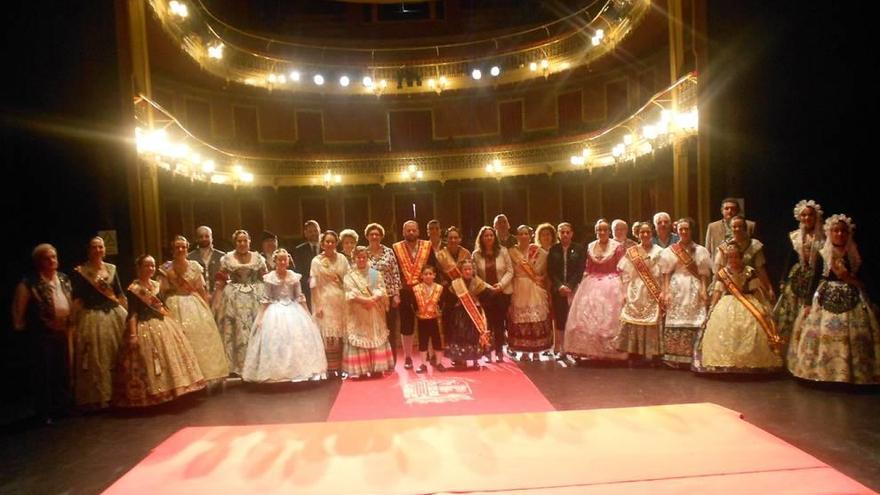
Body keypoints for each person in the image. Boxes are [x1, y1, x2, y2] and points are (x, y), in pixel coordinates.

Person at [787, 214, 880, 384]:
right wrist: (808, 303)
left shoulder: (854, 254)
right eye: (835, 231)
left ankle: (852, 372)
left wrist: (851, 280)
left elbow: (865, 279)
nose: (839, 234)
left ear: (848, 234)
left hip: (853, 298)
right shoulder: (823, 254)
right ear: (830, 233)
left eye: (843, 231)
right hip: (825, 296)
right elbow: (815, 279)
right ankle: (823, 371)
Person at [113, 255, 205, 407]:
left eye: (152, 266)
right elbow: (133, 313)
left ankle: (172, 392)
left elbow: (164, 307)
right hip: (143, 326)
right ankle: (150, 396)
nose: (150, 268)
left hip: (163, 325)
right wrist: (133, 334)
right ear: (139, 268)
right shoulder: (133, 289)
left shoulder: (157, 285)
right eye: (147, 265)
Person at [693, 244, 783, 373]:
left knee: (753, 327)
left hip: (749, 302)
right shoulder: (723, 273)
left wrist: (763, 306)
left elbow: (756, 290)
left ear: (741, 257)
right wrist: (712, 308)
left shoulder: (749, 271)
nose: (733, 260)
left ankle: (751, 362)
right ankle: (726, 363)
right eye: (730, 257)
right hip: (727, 303)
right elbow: (718, 292)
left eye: (735, 256)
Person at [242, 249, 327, 383]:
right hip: (275, 309)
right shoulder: (270, 277)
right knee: (275, 339)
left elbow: (299, 296)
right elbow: (266, 299)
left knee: (298, 338)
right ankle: (277, 372)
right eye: (279, 260)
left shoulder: (293, 276)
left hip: (293, 309)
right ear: (275, 261)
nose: (282, 262)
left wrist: (308, 314)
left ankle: (297, 371)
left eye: (284, 259)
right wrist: (261, 316)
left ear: (288, 261)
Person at [11, 244, 74, 423]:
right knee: (44, 372)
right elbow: (19, 308)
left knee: (62, 369)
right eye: (47, 258)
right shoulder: (30, 282)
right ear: (39, 261)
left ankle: (62, 407)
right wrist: (20, 328)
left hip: (63, 330)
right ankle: (45, 411)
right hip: (42, 333)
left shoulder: (63, 279)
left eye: (54, 257)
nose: (52, 261)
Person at [159, 236, 229, 386]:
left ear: (187, 248)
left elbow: (200, 289)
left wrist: (207, 309)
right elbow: (162, 292)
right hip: (173, 303)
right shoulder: (166, 268)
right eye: (177, 247)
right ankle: (184, 379)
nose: (180, 249)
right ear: (172, 250)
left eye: (183, 247)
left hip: (194, 304)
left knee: (202, 338)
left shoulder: (194, 266)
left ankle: (203, 376)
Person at [71, 236, 127, 409]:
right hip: (92, 317)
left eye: (101, 247)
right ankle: (100, 397)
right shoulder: (81, 271)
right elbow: (78, 298)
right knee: (97, 358)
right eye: (94, 247)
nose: (98, 250)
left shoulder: (111, 269)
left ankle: (119, 394)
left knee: (117, 355)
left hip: (114, 315)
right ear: (89, 250)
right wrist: (72, 319)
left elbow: (118, 294)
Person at [564, 219, 627, 361]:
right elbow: (588, 268)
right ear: (596, 232)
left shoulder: (616, 246)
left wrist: (624, 287)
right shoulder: (590, 246)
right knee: (587, 316)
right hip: (592, 282)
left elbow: (622, 268)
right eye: (599, 230)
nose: (602, 232)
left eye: (605, 230)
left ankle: (610, 351)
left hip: (612, 283)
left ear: (609, 232)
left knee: (609, 317)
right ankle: (586, 350)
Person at [659, 218, 712, 368]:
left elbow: (703, 274)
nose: (683, 232)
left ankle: (693, 357)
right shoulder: (670, 250)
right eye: (681, 229)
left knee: (696, 318)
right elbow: (666, 273)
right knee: (676, 319)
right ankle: (674, 357)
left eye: (686, 229)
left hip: (693, 286)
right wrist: (665, 291)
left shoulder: (700, 250)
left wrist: (703, 289)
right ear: (677, 231)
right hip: (676, 287)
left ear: (691, 230)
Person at [214, 230, 267, 376]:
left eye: (245, 240)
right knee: (235, 329)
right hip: (233, 296)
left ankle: (256, 364)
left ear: (249, 241)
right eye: (239, 241)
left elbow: (266, 278)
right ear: (235, 242)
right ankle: (237, 367)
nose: (242, 243)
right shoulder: (227, 258)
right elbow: (220, 280)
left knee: (255, 327)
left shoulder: (258, 258)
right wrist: (217, 299)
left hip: (255, 295)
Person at [774, 200, 824, 342]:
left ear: (816, 217)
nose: (807, 218)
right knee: (792, 311)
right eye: (804, 215)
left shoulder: (823, 237)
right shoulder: (795, 236)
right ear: (799, 217)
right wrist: (783, 279)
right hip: (797, 278)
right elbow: (789, 259)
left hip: (816, 278)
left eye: (810, 215)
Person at [614, 222, 664, 364]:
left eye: (648, 232)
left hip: (653, 289)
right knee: (633, 321)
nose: (645, 235)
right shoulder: (632, 251)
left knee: (653, 321)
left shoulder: (659, 251)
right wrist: (625, 291)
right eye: (642, 232)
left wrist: (661, 290)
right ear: (637, 234)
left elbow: (663, 272)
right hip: (635, 289)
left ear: (652, 233)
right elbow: (625, 274)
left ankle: (654, 354)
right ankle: (634, 353)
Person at [342, 246, 394, 379]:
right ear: (354, 259)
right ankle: (362, 370)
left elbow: (381, 289)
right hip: (359, 311)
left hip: (374, 311)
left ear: (367, 258)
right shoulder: (349, 276)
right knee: (361, 338)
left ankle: (377, 368)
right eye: (358, 257)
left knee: (375, 336)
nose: (361, 260)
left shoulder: (375, 274)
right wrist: (364, 300)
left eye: (363, 257)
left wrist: (372, 299)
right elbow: (349, 292)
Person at [392, 220, 437, 369]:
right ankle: (408, 357)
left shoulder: (427, 246)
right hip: (405, 292)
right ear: (403, 232)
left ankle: (430, 354)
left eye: (413, 230)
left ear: (418, 231)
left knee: (428, 323)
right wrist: (396, 293)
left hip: (424, 291)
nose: (411, 233)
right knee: (407, 325)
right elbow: (395, 272)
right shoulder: (396, 248)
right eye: (408, 230)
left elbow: (432, 267)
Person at [507, 225, 552, 361]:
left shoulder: (540, 252)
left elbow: (545, 273)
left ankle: (537, 351)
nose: (524, 236)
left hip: (534, 287)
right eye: (521, 234)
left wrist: (540, 279)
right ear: (517, 236)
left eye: (526, 233)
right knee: (521, 318)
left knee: (535, 318)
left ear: (531, 235)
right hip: (518, 287)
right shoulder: (511, 252)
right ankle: (524, 351)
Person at [310, 230, 350, 375]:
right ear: (322, 244)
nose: (330, 244)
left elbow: (349, 279)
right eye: (327, 241)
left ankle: (342, 367)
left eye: (333, 242)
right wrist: (317, 304)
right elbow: (312, 283)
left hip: (341, 300)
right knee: (329, 334)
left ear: (336, 243)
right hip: (324, 300)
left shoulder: (342, 259)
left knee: (341, 333)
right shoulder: (316, 261)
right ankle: (330, 368)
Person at [472, 226, 514, 362]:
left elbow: (510, 271)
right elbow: (474, 275)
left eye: (491, 235)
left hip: (502, 292)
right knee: (487, 323)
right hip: (485, 293)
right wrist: (487, 287)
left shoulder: (503, 251)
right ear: (481, 238)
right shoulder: (476, 254)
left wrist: (501, 285)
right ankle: (488, 351)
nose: (489, 238)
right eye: (486, 236)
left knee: (499, 323)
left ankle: (500, 351)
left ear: (494, 237)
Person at [364, 223, 402, 362]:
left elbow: (395, 273)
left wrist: (397, 294)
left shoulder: (388, 252)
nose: (374, 237)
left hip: (389, 295)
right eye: (372, 234)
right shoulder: (363, 253)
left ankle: (392, 360)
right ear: (367, 236)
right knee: (375, 329)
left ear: (381, 236)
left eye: (377, 234)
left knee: (390, 328)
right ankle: (378, 361)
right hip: (371, 297)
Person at [547, 222, 585, 360]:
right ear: (558, 234)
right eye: (562, 232)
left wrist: (570, 285)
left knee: (574, 320)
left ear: (572, 233)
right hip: (558, 290)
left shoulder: (579, 249)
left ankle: (575, 350)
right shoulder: (553, 250)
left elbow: (580, 270)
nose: (565, 235)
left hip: (574, 289)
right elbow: (551, 271)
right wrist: (559, 286)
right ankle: (562, 349)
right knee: (560, 319)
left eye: (567, 232)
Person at [713, 215, 775, 301]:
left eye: (740, 226)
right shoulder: (724, 247)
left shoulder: (754, 245)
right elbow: (719, 271)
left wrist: (769, 288)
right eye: (734, 227)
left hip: (751, 288)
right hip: (729, 291)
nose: (737, 229)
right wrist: (714, 290)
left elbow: (760, 269)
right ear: (731, 228)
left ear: (745, 228)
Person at [443, 259, 491, 369]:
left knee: (474, 336)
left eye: (470, 269)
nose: (468, 271)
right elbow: (449, 299)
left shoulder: (479, 283)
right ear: (461, 271)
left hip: (475, 314)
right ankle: (461, 360)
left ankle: (475, 360)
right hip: (460, 314)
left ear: (473, 270)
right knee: (460, 336)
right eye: (465, 269)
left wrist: (478, 300)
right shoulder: (456, 284)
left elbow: (487, 297)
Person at [187, 225, 224, 296]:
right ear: (196, 239)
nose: (204, 239)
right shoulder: (190, 257)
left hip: (218, 296)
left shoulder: (221, 256)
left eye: (207, 236)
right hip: (198, 297)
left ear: (211, 238)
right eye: (201, 237)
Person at [293, 220, 321, 310]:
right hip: (307, 289)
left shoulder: (327, 247)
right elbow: (297, 271)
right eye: (310, 231)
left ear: (319, 231)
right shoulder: (299, 250)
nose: (313, 233)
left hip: (326, 288)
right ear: (305, 233)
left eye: (315, 230)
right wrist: (309, 281)